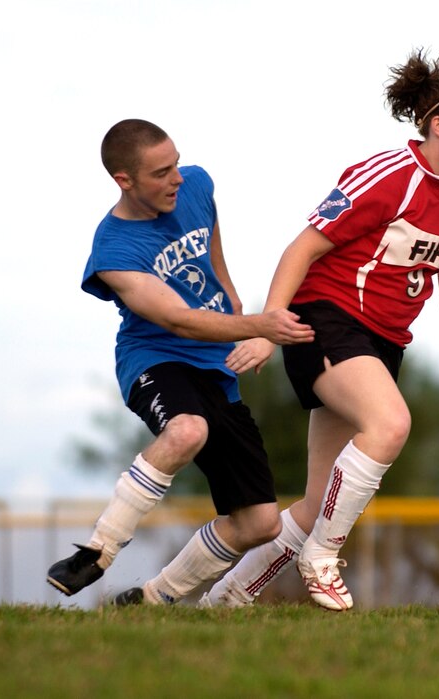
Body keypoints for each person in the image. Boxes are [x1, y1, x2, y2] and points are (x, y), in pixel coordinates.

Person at [201, 49, 439, 611]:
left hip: (381, 344)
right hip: (325, 321)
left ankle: (218, 599)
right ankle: (322, 557)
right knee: (391, 422)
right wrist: (269, 326)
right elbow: (302, 246)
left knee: (319, 498)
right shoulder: (388, 176)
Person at [46, 119, 314, 605]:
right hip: (156, 359)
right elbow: (180, 321)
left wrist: (232, 300)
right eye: (160, 173)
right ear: (123, 180)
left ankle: (153, 600)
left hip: (216, 365)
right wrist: (261, 325)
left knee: (260, 524)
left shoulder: (197, 184)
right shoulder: (114, 251)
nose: (176, 179)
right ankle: (97, 552)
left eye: (175, 164)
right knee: (188, 430)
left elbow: (211, 249)